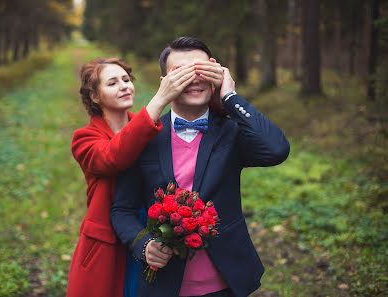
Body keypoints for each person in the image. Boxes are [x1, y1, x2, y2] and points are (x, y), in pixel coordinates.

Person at [110, 37, 290, 297]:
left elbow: (277, 149)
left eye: (202, 70)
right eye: (181, 73)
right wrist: (145, 245)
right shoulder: (143, 136)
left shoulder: (231, 131)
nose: (194, 79)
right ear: (164, 84)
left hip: (224, 282)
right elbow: (121, 210)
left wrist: (229, 95)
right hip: (163, 285)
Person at [66, 57, 207, 297]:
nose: (124, 86)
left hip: (153, 231)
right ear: (95, 97)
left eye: (126, 80)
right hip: (109, 242)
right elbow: (114, 157)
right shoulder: (84, 138)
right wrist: (160, 98)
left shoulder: (151, 127)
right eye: (112, 83)